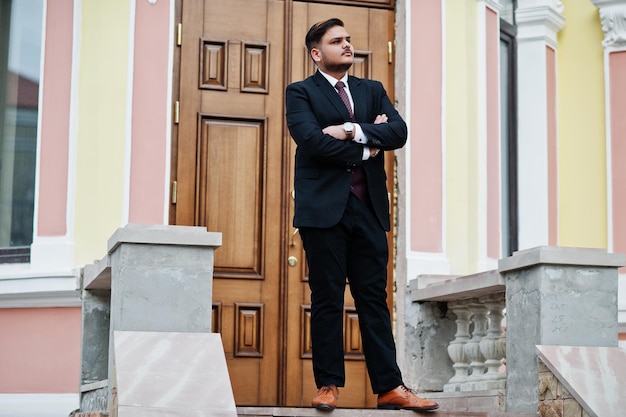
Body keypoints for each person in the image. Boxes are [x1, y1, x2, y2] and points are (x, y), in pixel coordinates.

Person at [285, 18, 439, 413]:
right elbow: (312, 142)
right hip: (323, 213)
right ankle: (329, 385)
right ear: (317, 53)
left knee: (373, 300)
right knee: (327, 298)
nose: (347, 45)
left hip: (368, 209)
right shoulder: (300, 93)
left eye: (349, 39)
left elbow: (400, 133)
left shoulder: (372, 90)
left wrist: (352, 131)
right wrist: (371, 142)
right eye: (337, 41)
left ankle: (390, 387)